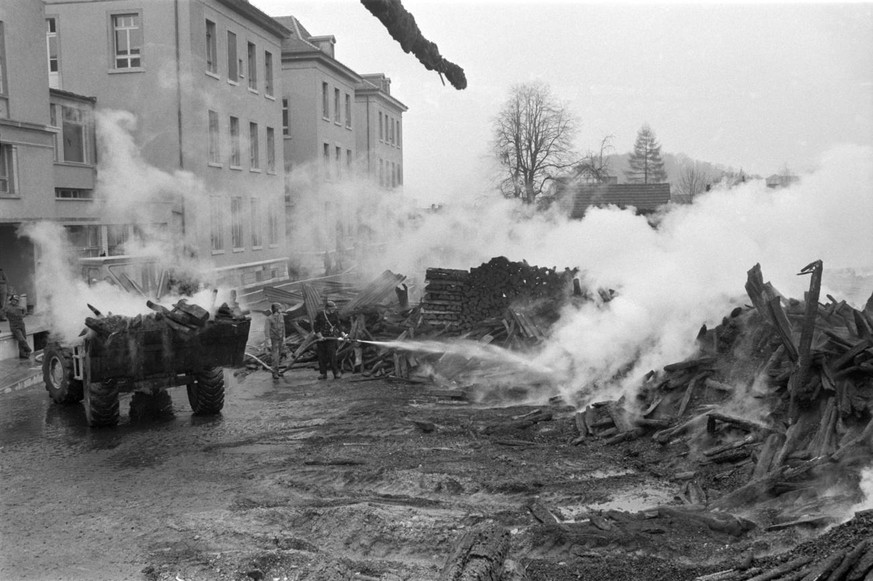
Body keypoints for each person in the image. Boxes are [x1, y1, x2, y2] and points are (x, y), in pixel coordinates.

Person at [313, 301, 347, 380]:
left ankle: (336, 373)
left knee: (332, 356)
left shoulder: (334, 315)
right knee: (322, 357)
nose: (333, 310)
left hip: (331, 338)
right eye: (332, 308)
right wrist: (320, 336)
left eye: (334, 308)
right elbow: (315, 326)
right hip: (321, 339)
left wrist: (343, 334)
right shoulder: (320, 314)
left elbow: (338, 325)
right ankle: (323, 373)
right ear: (327, 308)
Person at [4, 295, 32, 360]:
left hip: (21, 324)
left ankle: (23, 354)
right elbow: (3, 313)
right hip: (14, 326)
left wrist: (23, 315)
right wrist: (7, 317)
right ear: (11, 300)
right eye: (13, 300)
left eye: (16, 301)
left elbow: (25, 312)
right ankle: (28, 349)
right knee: (21, 339)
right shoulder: (7, 307)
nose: (15, 302)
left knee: (23, 338)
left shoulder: (20, 307)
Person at [263, 303, 285, 380]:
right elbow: (267, 331)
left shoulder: (281, 316)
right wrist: (268, 342)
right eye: (280, 308)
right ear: (276, 309)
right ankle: (274, 373)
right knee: (275, 357)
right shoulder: (269, 319)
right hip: (274, 340)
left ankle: (277, 370)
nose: (281, 309)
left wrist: (284, 337)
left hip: (280, 339)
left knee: (279, 356)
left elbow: (283, 328)